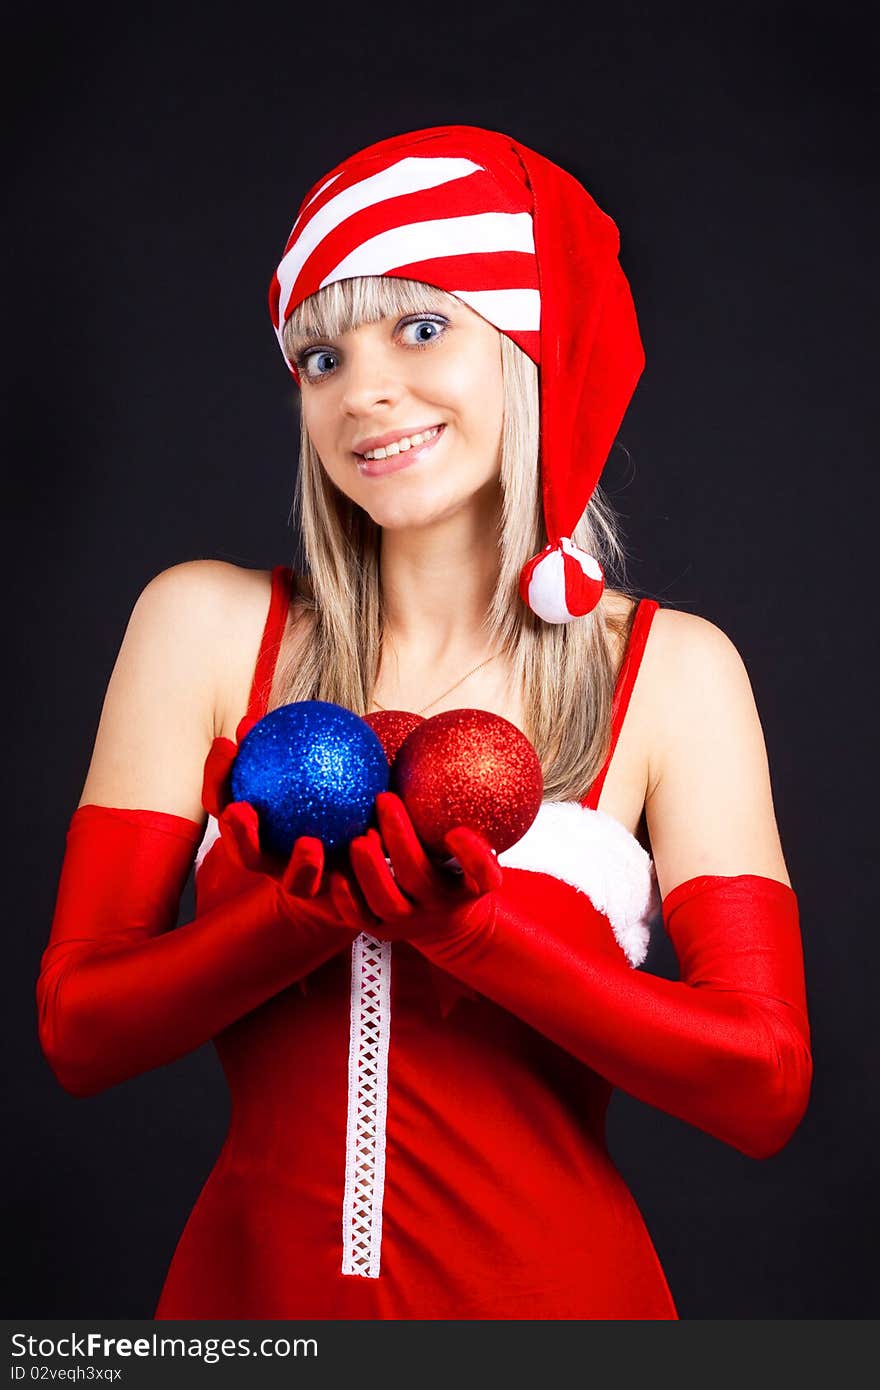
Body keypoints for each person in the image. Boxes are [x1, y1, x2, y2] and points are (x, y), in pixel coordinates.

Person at [36, 124, 813, 1320]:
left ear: (527, 348)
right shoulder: (201, 627)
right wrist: (295, 921)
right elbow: (78, 1030)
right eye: (319, 358)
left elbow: (762, 1086)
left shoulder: (671, 671)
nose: (365, 391)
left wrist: (481, 937)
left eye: (422, 325)